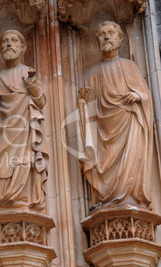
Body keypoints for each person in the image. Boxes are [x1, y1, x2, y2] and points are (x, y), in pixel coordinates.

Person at [0, 29, 48, 218]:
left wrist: (32, 85)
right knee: (1, 164)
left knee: (23, 163)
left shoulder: (27, 72)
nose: (8, 44)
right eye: (5, 41)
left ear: (22, 47)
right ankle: (1, 201)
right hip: (1, 130)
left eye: (14, 41)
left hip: (22, 129)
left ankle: (22, 199)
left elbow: (41, 102)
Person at [79, 21, 153, 209]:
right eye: (102, 34)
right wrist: (81, 104)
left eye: (111, 33)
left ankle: (131, 199)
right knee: (104, 168)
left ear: (119, 39)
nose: (106, 37)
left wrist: (137, 96)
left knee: (130, 166)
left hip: (128, 124)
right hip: (103, 133)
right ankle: (106, 199)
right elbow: (88, 107)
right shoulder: (92, 73)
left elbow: (146, 97)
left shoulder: (129, 66)